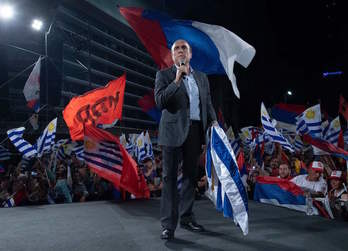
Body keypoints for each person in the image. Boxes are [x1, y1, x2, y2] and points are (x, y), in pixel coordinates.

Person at [155, 39, 217, 240]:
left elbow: (207, 103)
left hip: (195, 131)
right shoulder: (164, 75)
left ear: (190, 55)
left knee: (190, 176)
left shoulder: (202, 78)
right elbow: (160, 101)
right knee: (169, 179)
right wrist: (177, 80)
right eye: (176, 49)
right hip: (172, 132)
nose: (180, 51)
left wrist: (214, 121)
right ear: (172, 56)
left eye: (184, 48)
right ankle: (168, 226)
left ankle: (187, 217)